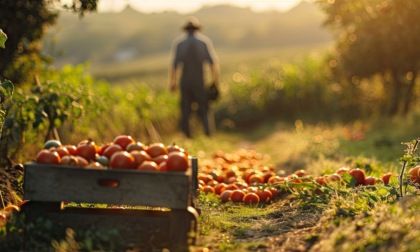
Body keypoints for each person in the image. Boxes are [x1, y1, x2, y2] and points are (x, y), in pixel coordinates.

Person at [169, 16, 219, 138]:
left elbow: (174, 66)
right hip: (199, 80)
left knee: (185, 109)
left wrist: (173, 82)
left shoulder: (180, 44)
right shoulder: (203, 42)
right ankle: (208, 133)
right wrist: (215, 81)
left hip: (185, 81)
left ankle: (187, 135)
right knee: (204, 107)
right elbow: (213, 63)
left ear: (186, 30)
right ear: (197, 29)